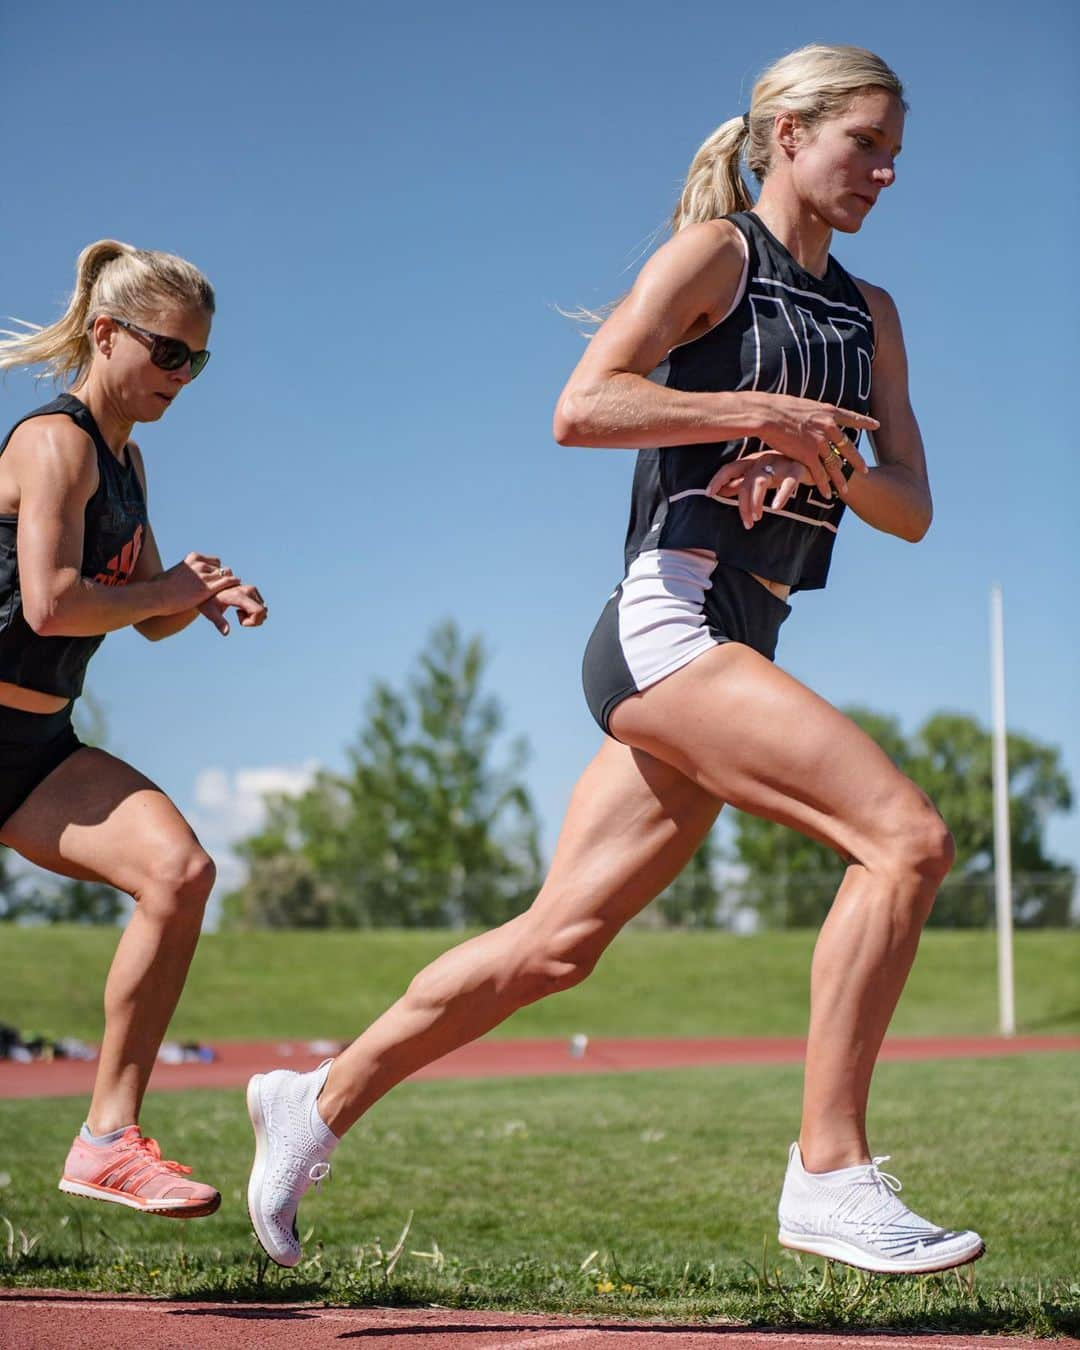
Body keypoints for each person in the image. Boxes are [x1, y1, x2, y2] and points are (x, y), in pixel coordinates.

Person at [245, 44, 984, 1275]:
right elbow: (582, 406)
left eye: (896, 148)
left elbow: (910, 505)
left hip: (749, 627)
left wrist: (829, 461)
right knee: (904, 839)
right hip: (670, 619)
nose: (887, 170)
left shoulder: (871, 312)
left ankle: (313, 1102)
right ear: (787, 136)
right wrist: (758, 414)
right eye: (867, 142)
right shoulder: (715, 260)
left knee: (557, 944)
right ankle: (829, 1171)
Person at [0, 240, 267, 1217]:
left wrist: (194, 598)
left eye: (197, 360)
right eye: (168, 353)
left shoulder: (127, 461)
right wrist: (168, 588)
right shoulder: (54, 442)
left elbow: (141, 611)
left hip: (35, 752)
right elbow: (50, 604)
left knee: (179, 872)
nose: (181, 378)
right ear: (105, 334)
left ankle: (107, 1138)